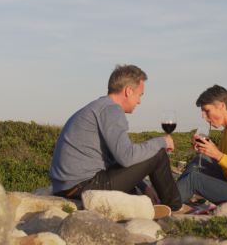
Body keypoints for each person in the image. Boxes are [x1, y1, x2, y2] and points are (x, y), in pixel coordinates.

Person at [49, 64, 182, 215]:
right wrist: (162, 141)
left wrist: (145, 187)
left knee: (138, 178)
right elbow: (126, 157)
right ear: (128, 91)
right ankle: (176, 207)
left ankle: (153, 205)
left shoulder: (99, 106)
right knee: (157, 153)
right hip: (83, 187)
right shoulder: (112, 110)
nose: (139, 101)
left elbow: (117, 160)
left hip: (68, 187)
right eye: (140, 95)